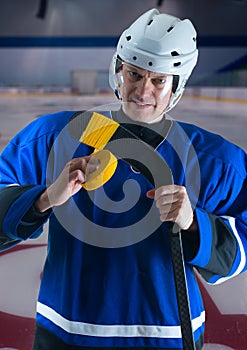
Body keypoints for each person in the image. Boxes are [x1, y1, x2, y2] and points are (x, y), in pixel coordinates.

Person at [0, 8, 246, 350]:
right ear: (118, 70)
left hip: (167, 337)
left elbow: (240, 248)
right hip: (67, 334)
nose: (142, 90)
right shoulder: (54, 137)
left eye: (158, 80)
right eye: (134, 74)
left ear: (177, 85)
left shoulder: (214, 159)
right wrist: (44, 198)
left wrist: (195, 225)